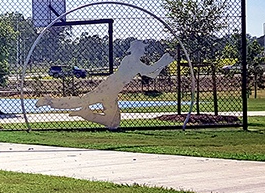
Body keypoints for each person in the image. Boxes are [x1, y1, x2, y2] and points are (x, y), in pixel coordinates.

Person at [41, 40, 173, 130]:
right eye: (142, 49)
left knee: (113, 123)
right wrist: (163, 60)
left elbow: (152, 74)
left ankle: (85, 114)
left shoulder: (135, 62)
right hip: (109, 87)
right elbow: (150, 70)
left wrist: (164, 63)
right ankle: (51, 102)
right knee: (84, 101)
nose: (143, 51)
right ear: (136, 50)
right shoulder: (131, 60)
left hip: (112, 90)